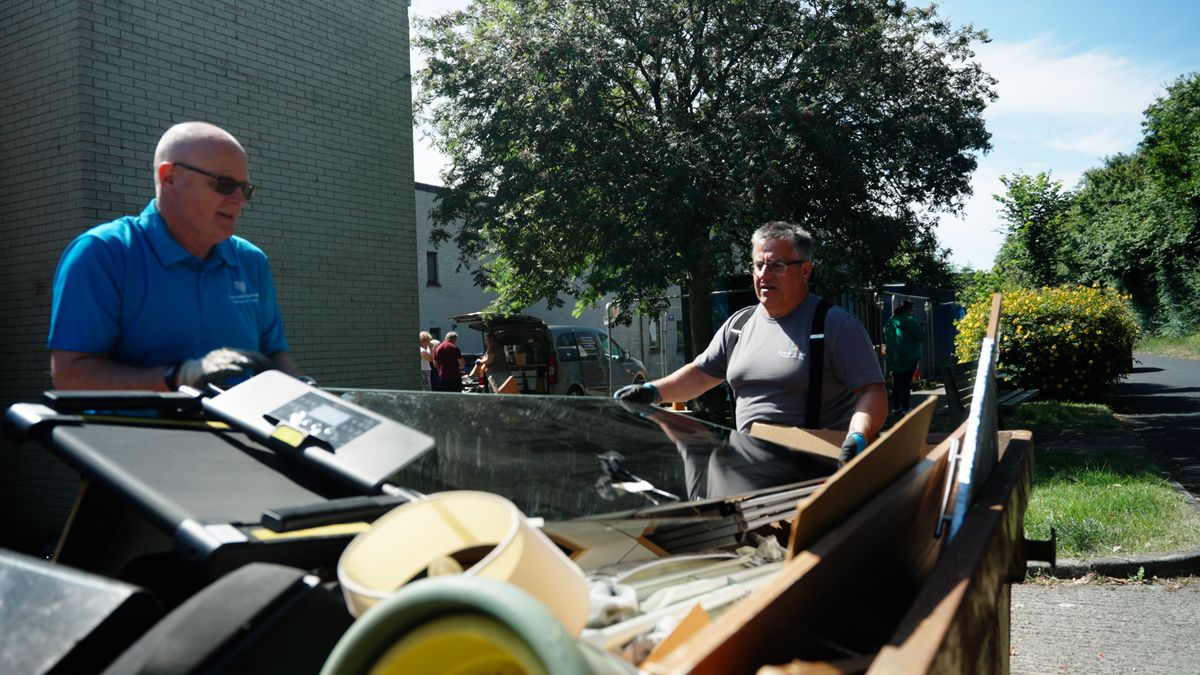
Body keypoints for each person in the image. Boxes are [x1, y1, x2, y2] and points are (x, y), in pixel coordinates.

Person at [48, 121, 302, 391]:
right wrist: (178, 377)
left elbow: (273, 357)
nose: (239, 199)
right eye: (225, 185)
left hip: (236, 433)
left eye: (246, 189)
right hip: (136, 433)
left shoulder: (251, 261)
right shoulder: (103, 253)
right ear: (169, 178)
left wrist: (306, 395)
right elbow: (69, 375)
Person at [615, 221, 887, 465]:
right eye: (758, 265)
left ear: (805, 270)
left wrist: (858, 436)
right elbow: (700, 375)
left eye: (777, 265)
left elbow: (872, 392)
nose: (764, 275)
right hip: (750, 467)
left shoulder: (835, 325)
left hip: (813, 473)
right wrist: (652, 391)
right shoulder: (738, 325)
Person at [883, 300, 925, 415]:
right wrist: (921, 328)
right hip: (909, 355)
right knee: (906, 383)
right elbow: (920, 336)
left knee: (897, 382)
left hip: (893, 356)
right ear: (908, 309)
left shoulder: (891, 320)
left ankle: (896, 407)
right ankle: (906, 408)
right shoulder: (909, 320)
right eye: (911, 309)